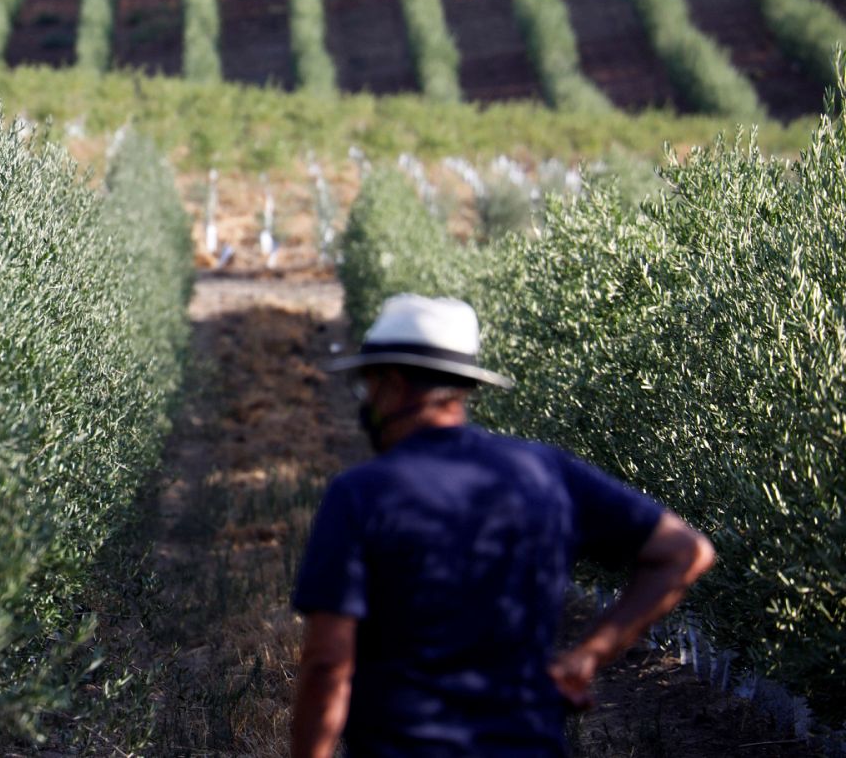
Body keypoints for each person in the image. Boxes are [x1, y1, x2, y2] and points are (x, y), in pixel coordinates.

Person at [290, 294, 715, 758]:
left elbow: (328, 662)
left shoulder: (361, 494)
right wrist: (587, 656)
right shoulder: (544, 472)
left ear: (393, 384)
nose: (366, 402)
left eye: (367, 386)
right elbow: (686, 552)